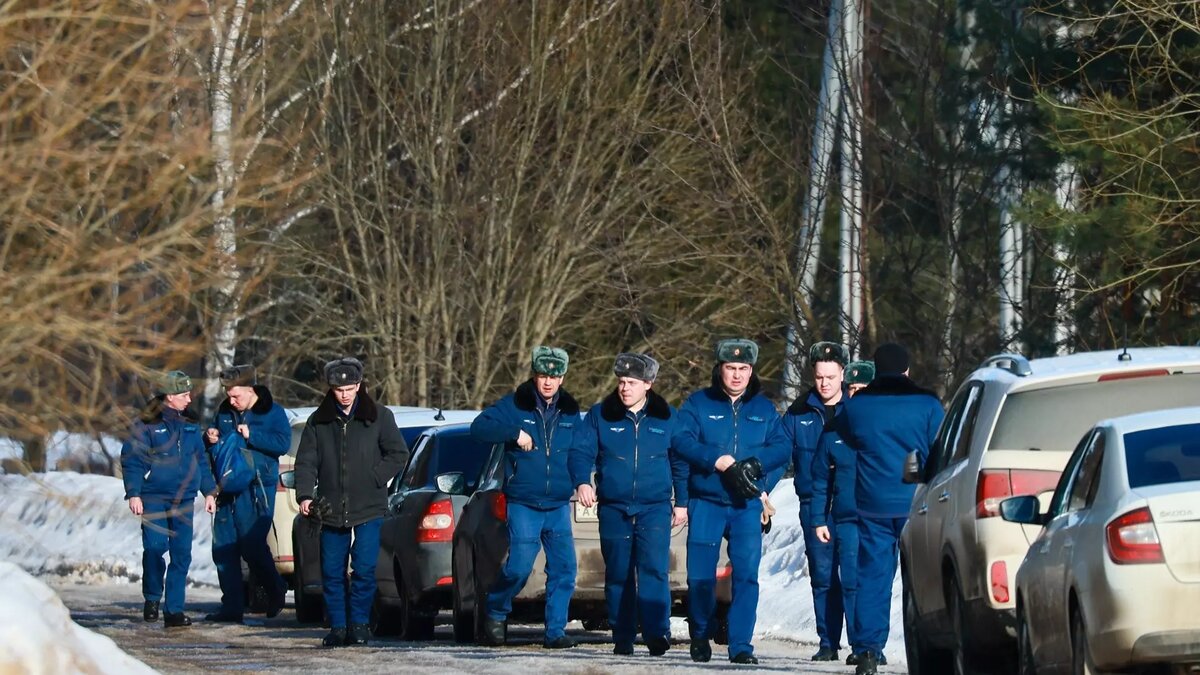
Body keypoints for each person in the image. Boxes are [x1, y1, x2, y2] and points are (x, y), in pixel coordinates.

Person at [673, 338, 790, 665]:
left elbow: (782, 448)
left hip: (746, 506)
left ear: (751, 371)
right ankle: (699, 635)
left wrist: (758, 473)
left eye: (743, 369)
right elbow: (680, 441)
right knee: (700, 576)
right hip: (706, 501)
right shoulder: (698, 404)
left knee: (747, 575)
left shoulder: (764, 409)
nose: (737, 375)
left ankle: (740, 645)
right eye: (730, 368)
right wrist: (717, 460)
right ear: (719, 369)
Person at [569, 352, 689, 657]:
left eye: (632, 383)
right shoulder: (600, 415)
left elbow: (679, 462)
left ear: (647, 384)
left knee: (654, 571)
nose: (624, 388)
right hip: (614, 507)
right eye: (621, 382)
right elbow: (580, 452)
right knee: (619, 573)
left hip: (654, 507)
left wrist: (683, 502)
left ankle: (656, 633)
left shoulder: (668, 417)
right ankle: (622, 637)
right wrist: (583, 481)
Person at [839, 344, 943, 675]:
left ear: (875, 371)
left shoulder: (858, 407)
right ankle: (929, 646)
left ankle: (868, 650)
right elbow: (940, 449)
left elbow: (846, 438)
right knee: (922, 578)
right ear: (907, 371)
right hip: (917, 503)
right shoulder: (927, 404)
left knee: (872, 576)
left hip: (872, 503)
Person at [470, 346, 582, 649]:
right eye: (543, 375)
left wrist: (583, 482)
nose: (548, 382)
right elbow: (479, 428)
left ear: (562, 378)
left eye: (554, 376)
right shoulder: (513, 406)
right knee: (519, 566)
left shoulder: (571, 412)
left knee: (564, 569)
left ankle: (555, 631)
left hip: (558, 503)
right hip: (523, 502)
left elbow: (581, 453)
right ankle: (495, 608)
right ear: (534, 375)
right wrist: (513, 433)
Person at [295, 357, 410, 647]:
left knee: (364, 568)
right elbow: (306, 462)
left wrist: (375, 478)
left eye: (349, 388)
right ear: (330, 389)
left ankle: (359, 624)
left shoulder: (379, 416)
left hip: (369, 506)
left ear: (359, 386)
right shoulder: (318, 421)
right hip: (331, 507)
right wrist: (306, 494)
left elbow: (398, 453)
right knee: (332, 571)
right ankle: (338, 625)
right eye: (338, 389)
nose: (344, 394)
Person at [120, 370, 217, 628]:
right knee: (154, 548)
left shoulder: (190, 424)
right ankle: (152, 596)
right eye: (184, 394)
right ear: (170, 397)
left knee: (181, 555)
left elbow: (200, 460)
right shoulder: (147, 424)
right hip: (153, 498)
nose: (189, 399)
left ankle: (174, 610)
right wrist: (134, 493)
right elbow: (133, 461)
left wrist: (209, 491)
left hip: (183, 499)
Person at [203, 364, 290, 624]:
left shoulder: (273, 413)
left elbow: (282, 443)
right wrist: (210, 438)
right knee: (223, 549)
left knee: (252, 546)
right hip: (228, 489)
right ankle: (231, 606)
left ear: (250, 390)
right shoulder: (225, 412)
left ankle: (275, 588)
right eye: (228, 394)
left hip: (257, 488)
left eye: (235, 395)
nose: (231, 399)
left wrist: (253, 435)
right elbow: (215, 450)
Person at [781, 341, 850, 662]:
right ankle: (828, 642)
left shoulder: (858, 409)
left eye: (831, 377)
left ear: (842, 375)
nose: (824, 383)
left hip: (852, 504)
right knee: (822, 576)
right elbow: (779, 455)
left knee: (854, 576)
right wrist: (760, 489)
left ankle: (864, 645)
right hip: (814, 505)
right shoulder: (798, 412)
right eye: (820, 377)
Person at [809, 358, 875, 666]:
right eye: (852, 388)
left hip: (880, 518)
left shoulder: (886, 431)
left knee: (872, 583)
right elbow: (820, 480)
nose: (857, 394)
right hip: (846, 517)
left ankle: (871, 644)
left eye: (864, 389)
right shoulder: (834, 432)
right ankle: (849, 643)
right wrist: (819, 519)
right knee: (846, 581)